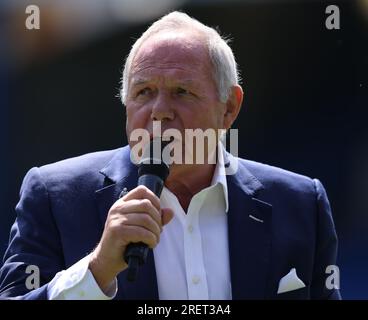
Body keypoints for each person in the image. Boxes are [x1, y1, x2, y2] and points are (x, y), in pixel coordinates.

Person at [0, 11, 340, 300]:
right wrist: (97, 270)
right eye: (144, 92)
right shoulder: (54, 196)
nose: (160, 112)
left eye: (182, 92)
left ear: (230, 108)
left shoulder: (300, 204)